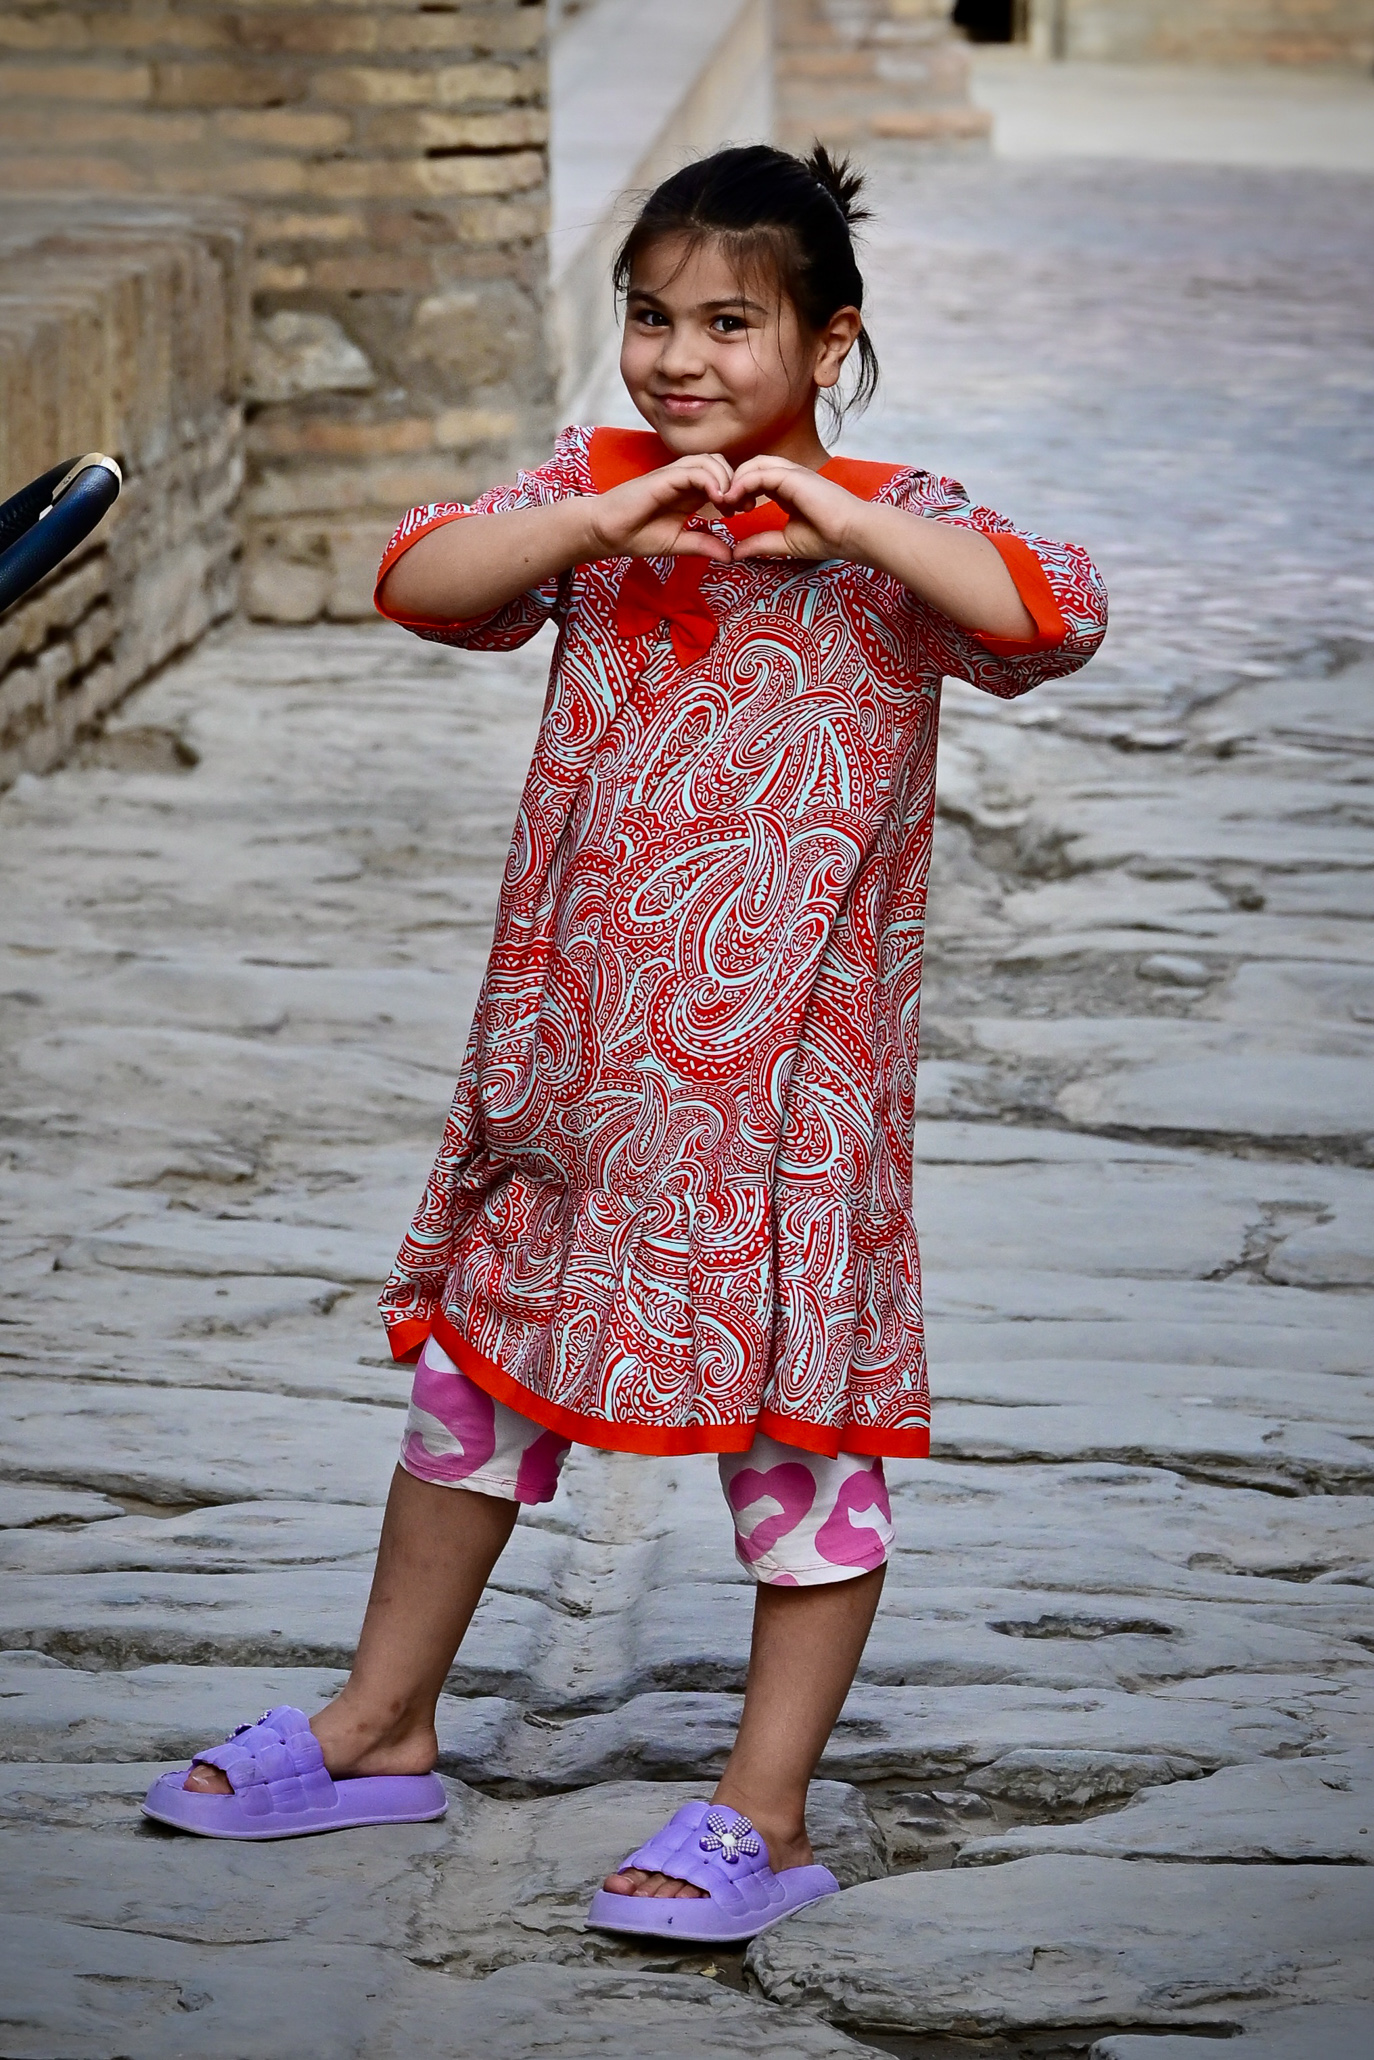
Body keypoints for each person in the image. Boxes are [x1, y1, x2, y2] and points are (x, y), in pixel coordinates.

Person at [143, 143, 1106, 1941]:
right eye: (649, 318)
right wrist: (597, 524)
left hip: (790, 1103)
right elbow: (423, 582)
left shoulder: (905, 525)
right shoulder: (595, 503)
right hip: (571, 1074)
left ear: (829, 344)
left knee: (802, 1442)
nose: (678, 360)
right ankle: (381, 1724)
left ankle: (763, 1810)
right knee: (470, 1392)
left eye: (730, 324)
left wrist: (847, 522)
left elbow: (1054, 614)